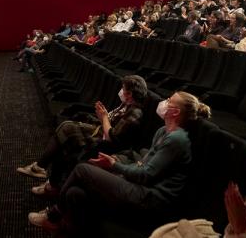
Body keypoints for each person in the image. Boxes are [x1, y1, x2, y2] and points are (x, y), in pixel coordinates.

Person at [28, 92, 211, 236]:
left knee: (83, 170)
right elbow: (143, 165)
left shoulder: (177, 139)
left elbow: (146, 174)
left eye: (170, 100)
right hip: (140, 186)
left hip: (150, 198)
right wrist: (120, 169)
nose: (165, 101)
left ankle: (53, 216)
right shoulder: (163, 131)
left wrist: (114, 165)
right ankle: (72, 233)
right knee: (77, 192)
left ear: (175, 112)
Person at [16, 75, 147, 195]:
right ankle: (48, 179)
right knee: (66, 134)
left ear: (129, 94)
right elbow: (110, 123)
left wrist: (104, 117)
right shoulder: (126, 105)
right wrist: (103, 116)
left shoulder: (135, 113)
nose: (121, 92)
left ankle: (44, 174)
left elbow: (111, 137)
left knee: (67, 133)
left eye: (123, 89)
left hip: (108, 146)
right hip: (100, 133)